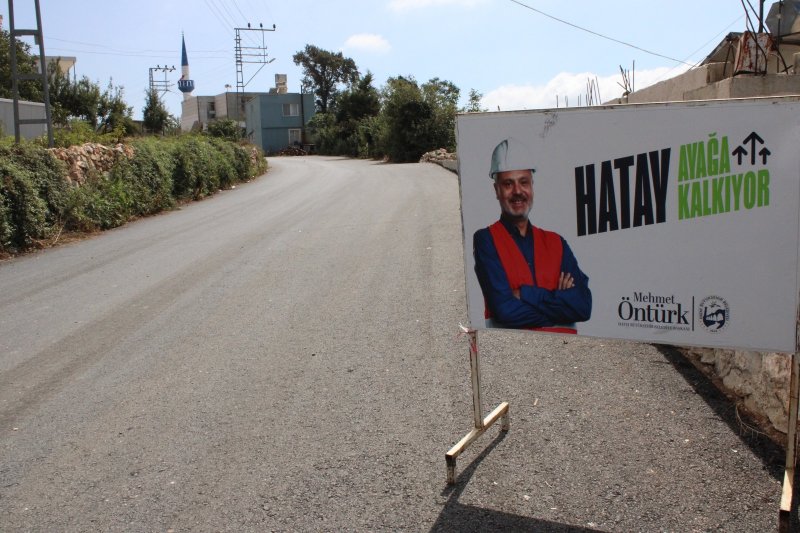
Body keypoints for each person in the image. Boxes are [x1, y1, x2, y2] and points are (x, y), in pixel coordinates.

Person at [473, 138, 592, 333]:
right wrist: (561, 305)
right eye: (508, 184)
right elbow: (504, 310)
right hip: (515, 348)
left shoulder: (557, 242)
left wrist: (525, 294)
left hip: (566, 348)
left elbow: (583, 307)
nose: (517, 191)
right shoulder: (486, 240)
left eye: (524, 182)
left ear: (532, 186)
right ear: (497, 190)